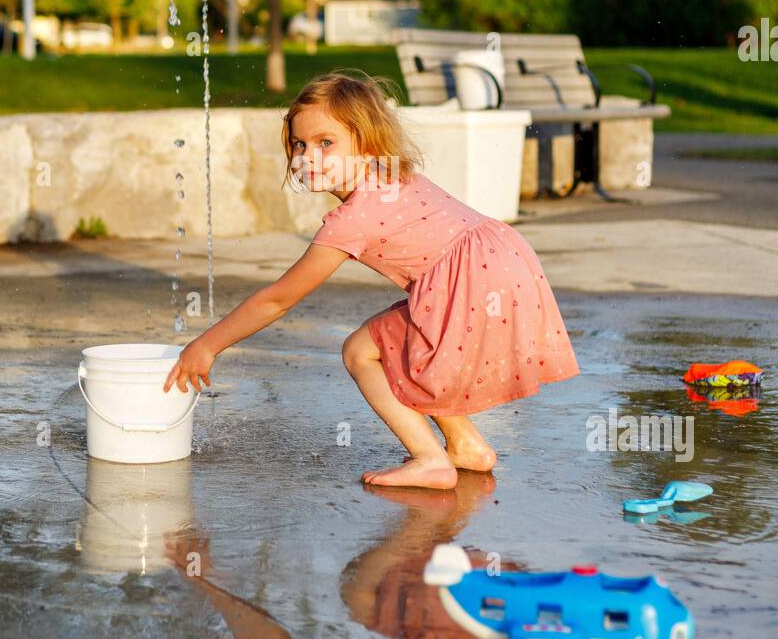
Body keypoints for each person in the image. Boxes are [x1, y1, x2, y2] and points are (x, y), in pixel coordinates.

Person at [164, 70, 580, 489]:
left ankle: (429, 459)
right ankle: (465, 445)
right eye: (299, 144)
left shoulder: (351, 220)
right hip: (504, 262)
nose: (310, 156)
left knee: (361, 351)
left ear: (366, 143)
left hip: (474, 281)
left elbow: (278, 299)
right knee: (408, 345)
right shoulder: (392, 175)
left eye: (327, 143)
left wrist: (208, 344)